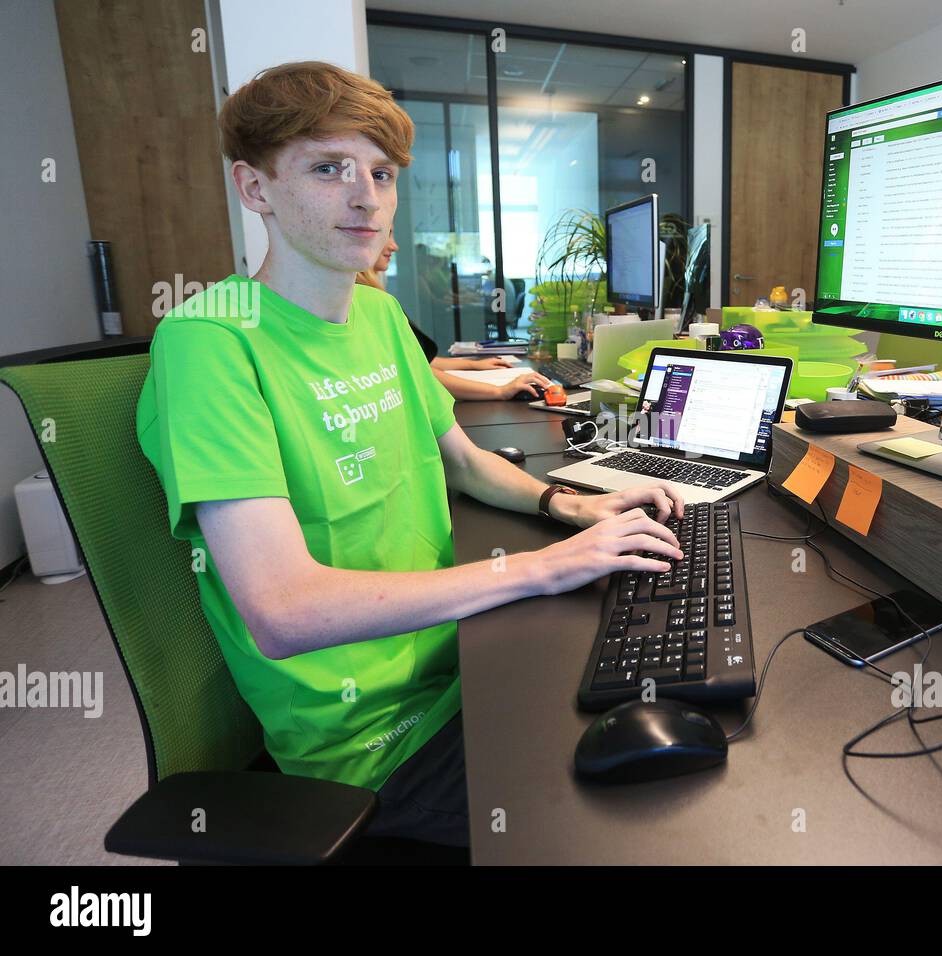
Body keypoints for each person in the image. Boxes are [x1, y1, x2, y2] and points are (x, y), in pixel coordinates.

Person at [135, 61, 683, 849]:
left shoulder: (380, 315)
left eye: (381, 173)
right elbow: (282, 612)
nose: (367, 196)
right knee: (642, 827)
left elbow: (460, 460)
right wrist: (543, 568)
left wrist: (567, 507)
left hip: (468, 660)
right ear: (255, 189)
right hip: (377, 746)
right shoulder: (209, 345)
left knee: (685, 699)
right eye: (329, 168)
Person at [357, 232, 549, 401]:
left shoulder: (377, 297)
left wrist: (473, 365)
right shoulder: (366, 300)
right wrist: (499, 391)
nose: (394, 245)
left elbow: (419, 361)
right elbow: (418, 370)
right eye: (387, 234)